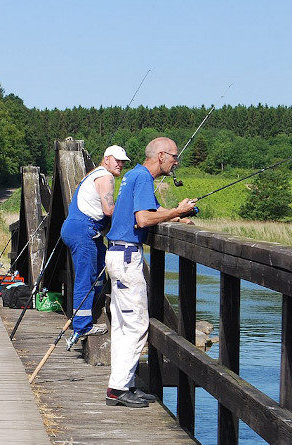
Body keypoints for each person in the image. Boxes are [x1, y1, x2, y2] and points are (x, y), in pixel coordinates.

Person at [104, 137, 196, 408]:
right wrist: (177, 211)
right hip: (127, 258)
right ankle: (119, 389)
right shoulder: (143, 178)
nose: (176, 161)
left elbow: (151, 211)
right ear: (161, 156)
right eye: (174, 156)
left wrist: (176, 215)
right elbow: (143, 219)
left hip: (116, 254)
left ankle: (121, 385)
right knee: (136, 325)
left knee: (122, 325)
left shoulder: (134, 176)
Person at [61, 145, 130, 342]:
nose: (121, 164)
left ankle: (91, 311)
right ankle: (82, 326)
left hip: (84, 230)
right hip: (84, 230)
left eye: (123, 162)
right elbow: (109, 210)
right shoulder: (105, 176)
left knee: (99, 270)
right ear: (107, 158)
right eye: (117, 160)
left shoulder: (92, 174)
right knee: (86, 276)